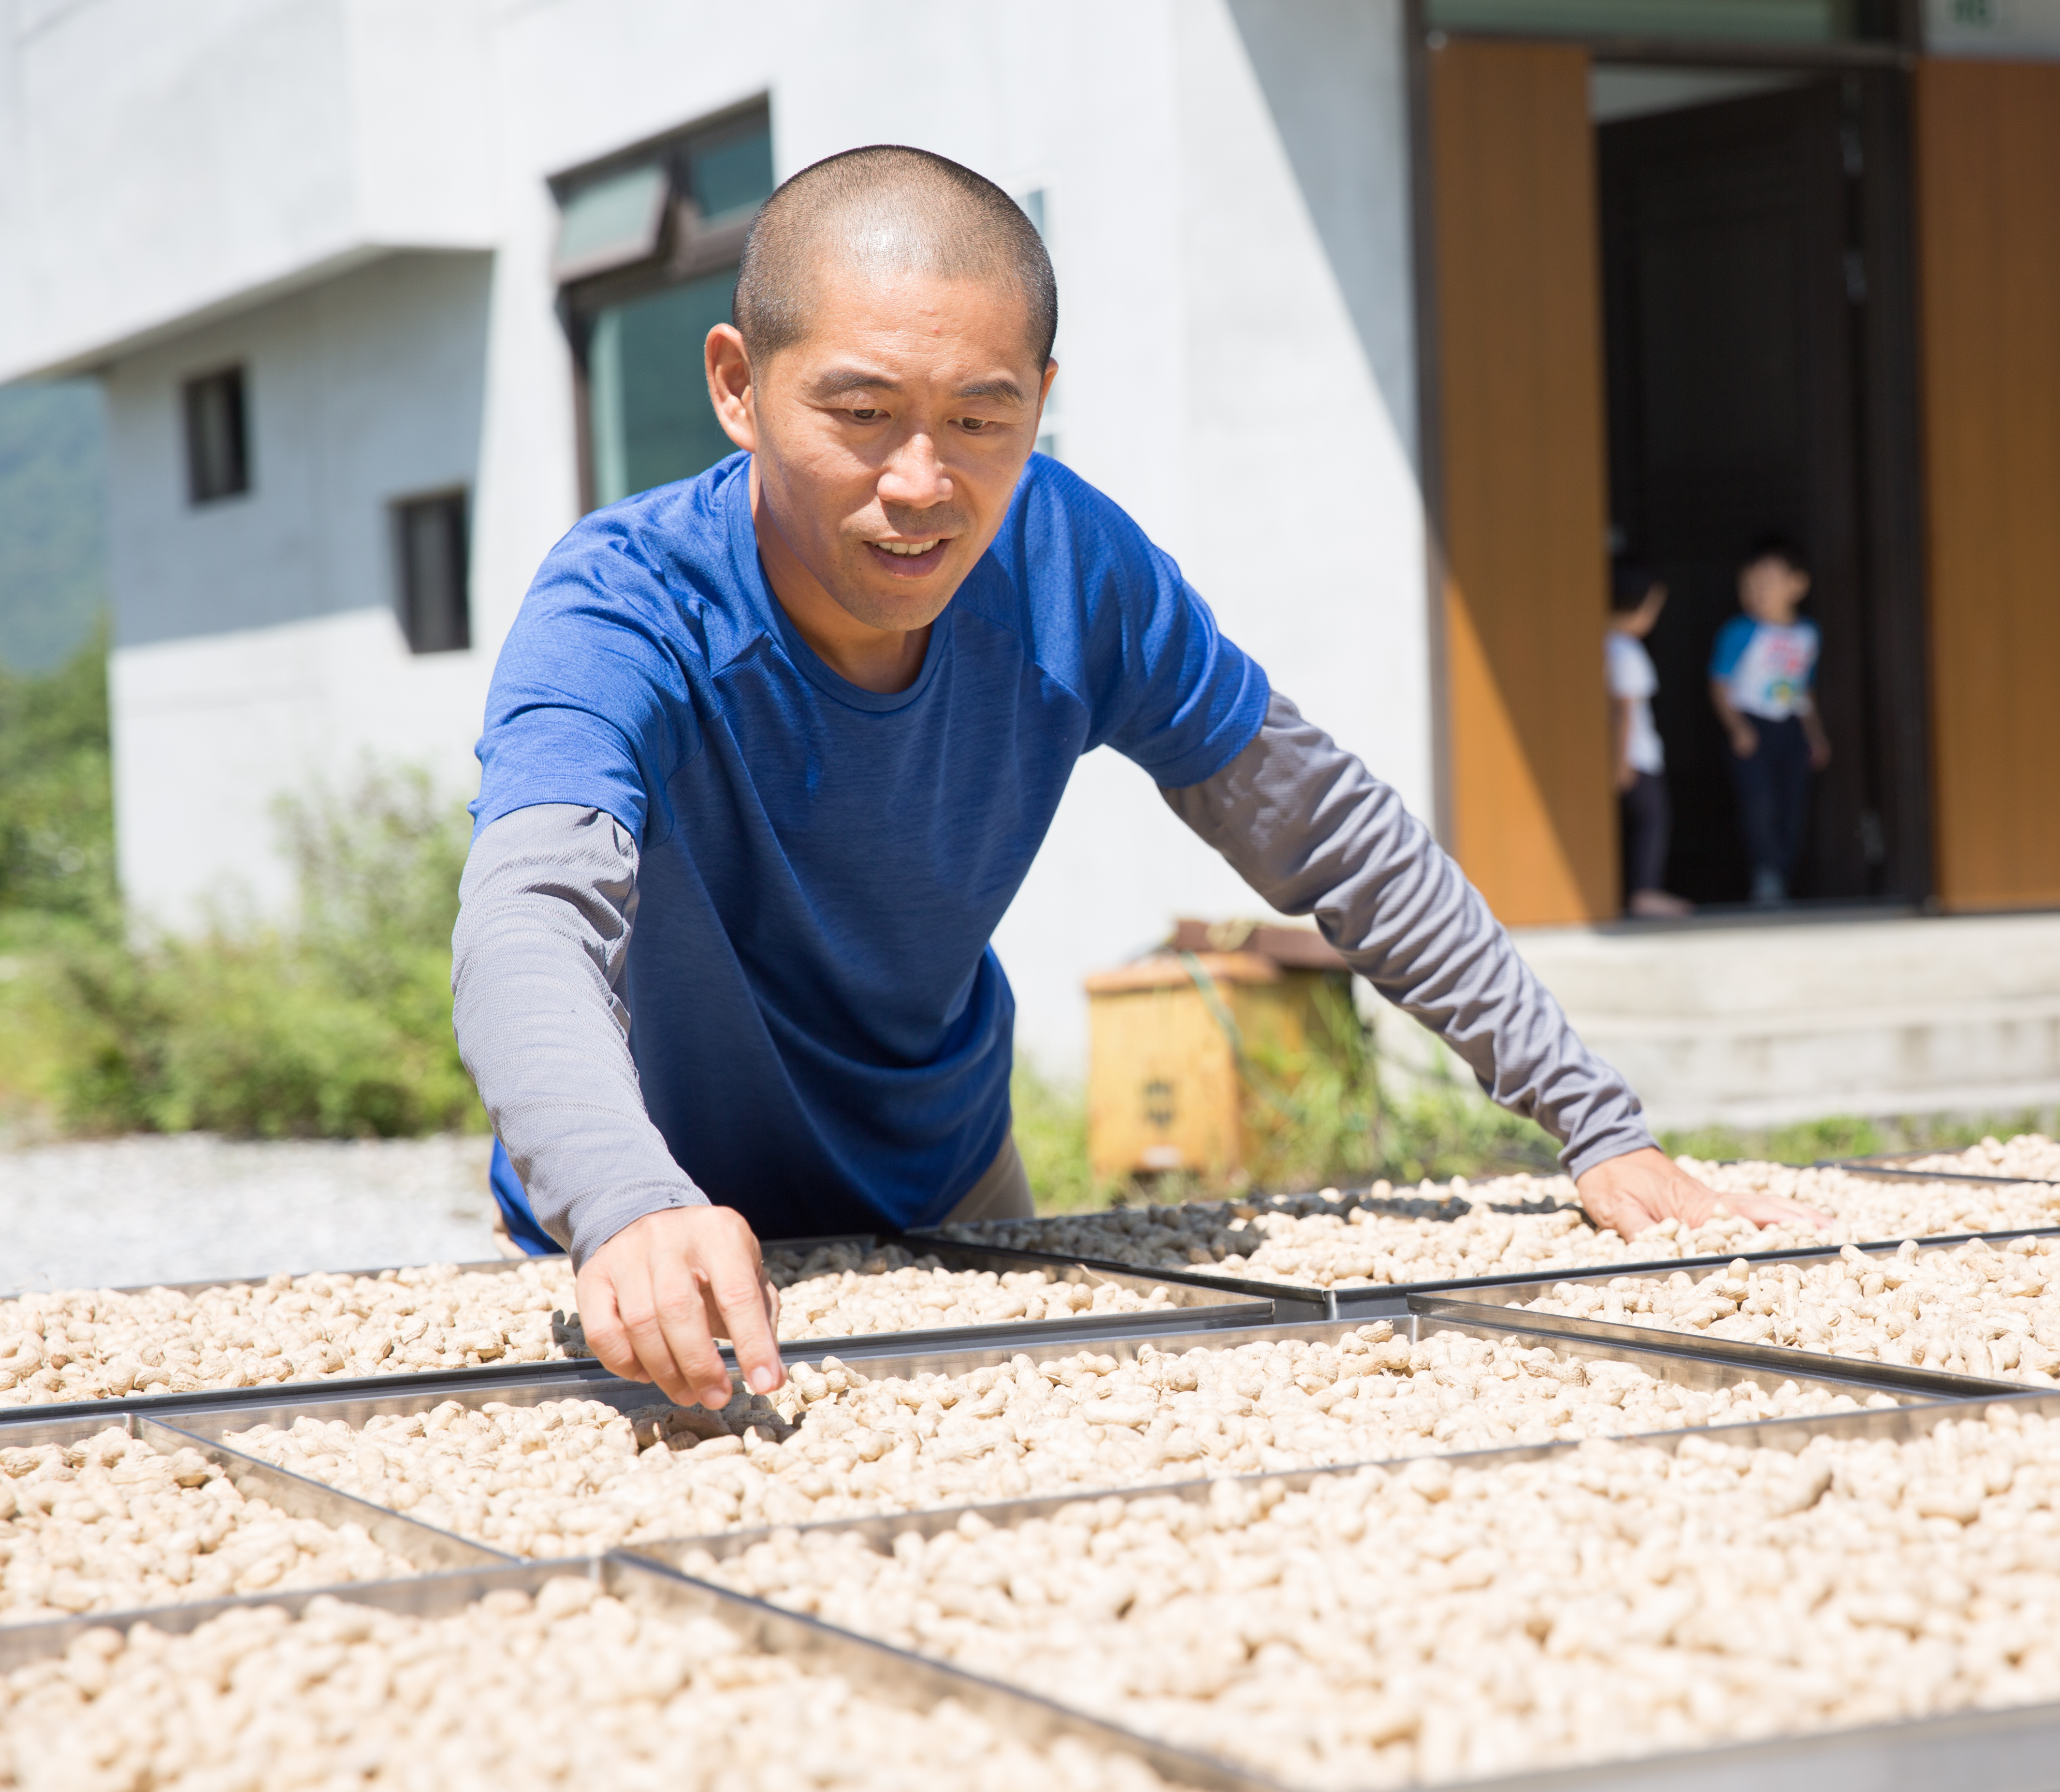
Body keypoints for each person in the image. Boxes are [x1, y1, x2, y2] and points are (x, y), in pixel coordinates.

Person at [455, 146, 1816, 1411]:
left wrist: (1596, 1125)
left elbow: (1328, 832)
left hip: (949, 1182)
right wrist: (627, 1202)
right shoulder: (619, 607)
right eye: (861, 413)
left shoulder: (1072, 569)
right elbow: (530, 918)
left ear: (1042, 404)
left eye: (981, 420)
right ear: (738, 385)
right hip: (645, 1216)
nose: (922, 483)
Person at [1709, 535, 1830, 906]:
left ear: (1797, 585)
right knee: (1758, 805)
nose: (1757, 593)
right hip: (1753, 725)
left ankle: (1784, 874)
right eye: (1750, 585)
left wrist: (1817, 737)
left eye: (1768, 583)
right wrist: (1737, 728)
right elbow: (1720, 684)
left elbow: (1804, 691)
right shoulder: (1738, 632)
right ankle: (1766, 877)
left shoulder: (1809, 633)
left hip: (1790, 726)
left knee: (1792, 805)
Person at [1606, 563, 1689, 920]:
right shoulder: (1625, 651)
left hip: (1624, 756)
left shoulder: (1601, 646)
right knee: (1653, 822)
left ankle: (1635, 890)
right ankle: (1644, 892)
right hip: (1637, 756)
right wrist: (1622, 762)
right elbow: (1625, 712)